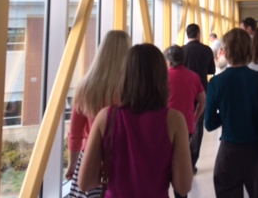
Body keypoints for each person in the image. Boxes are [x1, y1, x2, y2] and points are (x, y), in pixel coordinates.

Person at [78, 44, 192, 197]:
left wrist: (114, 176)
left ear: (125, 76)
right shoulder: (174, 120)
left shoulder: (106, 117)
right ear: (162, 77)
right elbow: (183, 187)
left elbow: (85, 182)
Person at [205, 28, 258, 198]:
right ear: (249, 50)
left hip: (228, 153)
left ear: (226, 51)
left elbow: (209, 124)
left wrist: (226, 115)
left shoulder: (216, 82)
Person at [65, 30, 131, 198]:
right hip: (124, 156)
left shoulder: (85, 87)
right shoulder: (131, 88)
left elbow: (75, 133)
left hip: (90, 158)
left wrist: (72, 165)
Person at [164, 45, 206, 198]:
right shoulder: (193, 76)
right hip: (186, 126)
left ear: (168, 60)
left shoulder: (163, 77)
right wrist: (195, 117)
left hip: (164, 127)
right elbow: (202, 100)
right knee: (181, 162)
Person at [183, 23, 216, 174]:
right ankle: (192, 162)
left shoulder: (182, 51)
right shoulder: (206, 50)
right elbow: (211, 70)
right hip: (202, 90)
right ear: (198, 34)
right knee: (198, 124)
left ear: (186, 34)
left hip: (186, 91)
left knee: (183, 123)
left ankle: (182, 157)